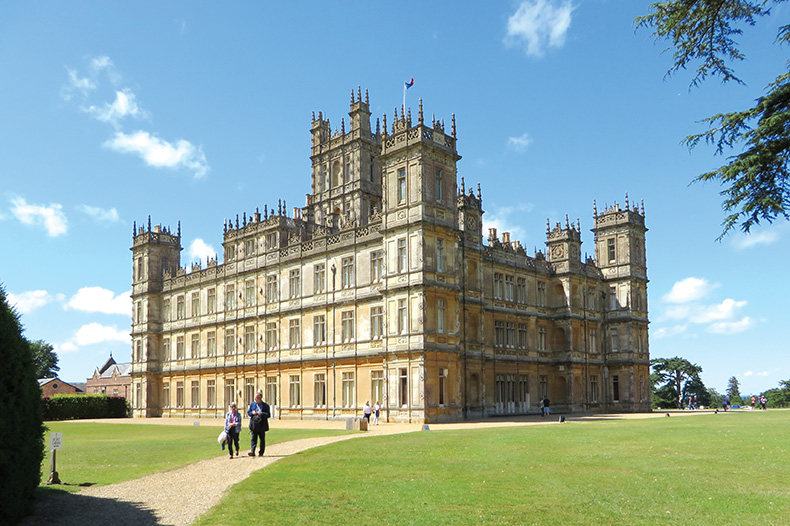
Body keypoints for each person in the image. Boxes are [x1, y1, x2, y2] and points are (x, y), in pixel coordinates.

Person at [247, 391, 270, 456]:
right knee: (253, 439)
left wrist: (262, 413)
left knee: (262, 440)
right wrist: (252, 413)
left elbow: (268, 415)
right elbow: (249, 412)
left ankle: (261, 452)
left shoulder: (265, 406)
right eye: (255, 397)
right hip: (254, 424)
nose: (255, 399)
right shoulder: (252, 404)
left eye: (256, 398)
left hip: (262, 425)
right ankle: (252, 451)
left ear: (260, 398)